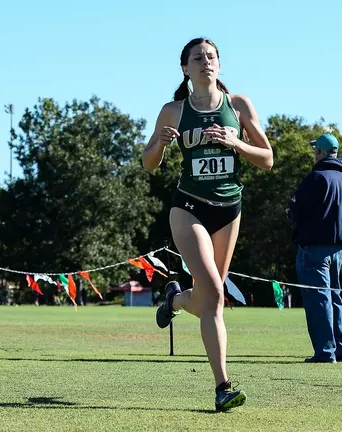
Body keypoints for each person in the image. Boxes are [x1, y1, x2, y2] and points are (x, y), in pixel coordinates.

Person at [143, 37, 273, 411]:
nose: (206, 62)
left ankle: (176, 299)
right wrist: (162, 146)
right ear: (185, 68)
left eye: (211, 57)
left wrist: (237, 144)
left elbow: (266, 159)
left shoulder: (239, 105)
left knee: (205, 298)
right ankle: (223, 387)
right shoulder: (173, 111)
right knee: (215, 294)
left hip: (229, 210)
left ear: (219, 64)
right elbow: (148, 162)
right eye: (197, 58)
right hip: (188, 208)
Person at [287, 133, 342, 363]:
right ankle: (340, 349)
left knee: (318, 300)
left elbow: (296, 209)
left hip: (314, 247)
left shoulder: (316, 177)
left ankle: (325, 352)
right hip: (338, 248)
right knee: (335, 298)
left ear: (319, 152)